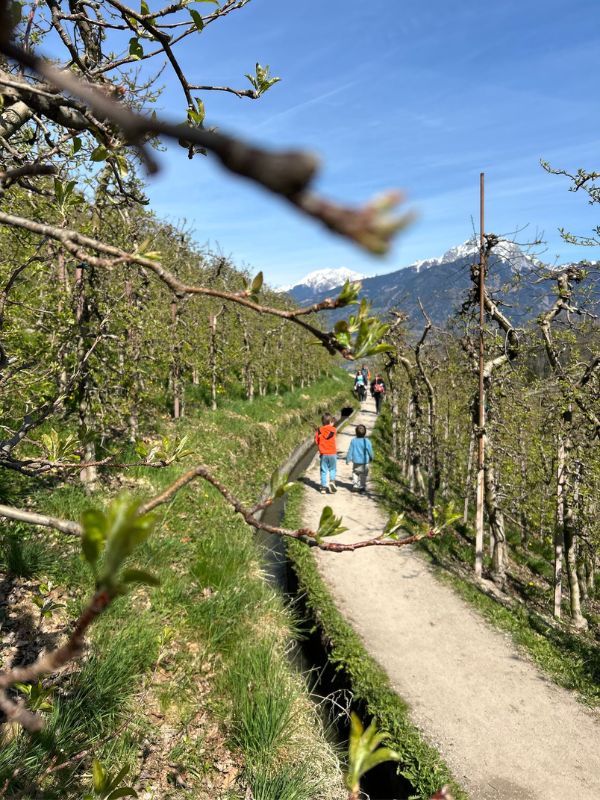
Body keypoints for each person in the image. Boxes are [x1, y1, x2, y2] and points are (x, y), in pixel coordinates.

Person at [345, 424, 373, 493]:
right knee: (364, 475)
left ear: (356, 433)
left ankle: (355, 485)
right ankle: (362, 487)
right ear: (365, 432)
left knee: (355, 473)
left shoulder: (353, 441)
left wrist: (348, 459)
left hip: (356, 461)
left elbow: (350, 450)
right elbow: (370, 451)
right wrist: (371, 457)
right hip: (365, 462)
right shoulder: (367, 441)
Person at [315, 412, 338, 494]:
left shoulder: (319, 430)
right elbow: (330, 430)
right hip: (333, 453)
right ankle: (332, 481)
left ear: (322, 422)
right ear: (331, 422)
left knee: (324, 470)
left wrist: (318, 431)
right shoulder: (334, 430)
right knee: (333, 469)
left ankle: (323, 487)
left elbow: (316, 442)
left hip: (323, 454)